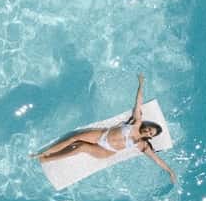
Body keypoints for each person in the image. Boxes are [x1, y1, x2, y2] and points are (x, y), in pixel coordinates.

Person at [31, 74, 177, 183]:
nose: (148, 131)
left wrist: (170, 171)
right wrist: (141, 84)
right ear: (147, 126)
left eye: (151, 133)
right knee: (74, 138)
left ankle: (48, 158)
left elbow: (157, 160)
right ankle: (45, 152)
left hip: (106, 150)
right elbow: (138, 102)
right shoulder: (136, 122)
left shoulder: (142, 145)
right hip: (101, 135)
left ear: (150, 137)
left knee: (80, 147)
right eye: (150, 128)